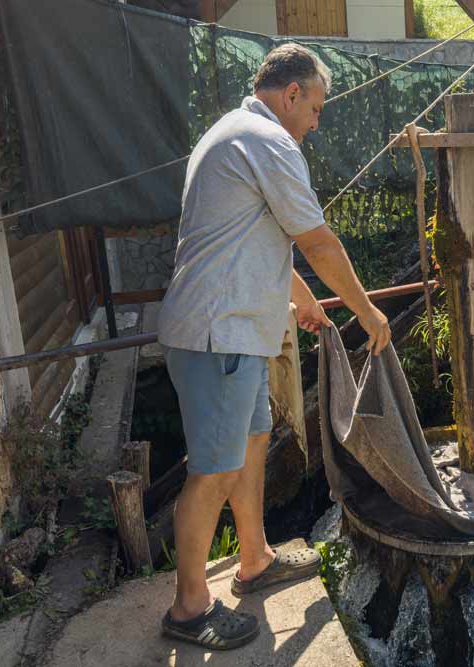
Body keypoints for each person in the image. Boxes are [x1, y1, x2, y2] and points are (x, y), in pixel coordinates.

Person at [156, 43, 391, 650]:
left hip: (235, 333)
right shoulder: (269, 142)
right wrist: (365, 311)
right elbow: (317, 240)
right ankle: (188, 608)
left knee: (254, 438)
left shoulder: (231, 133)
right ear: (290, 95)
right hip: (220, 336)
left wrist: (302, 298)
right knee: (213, 470)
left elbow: (249, 234)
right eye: (314, 107)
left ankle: (255, 558)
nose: (316, 121)